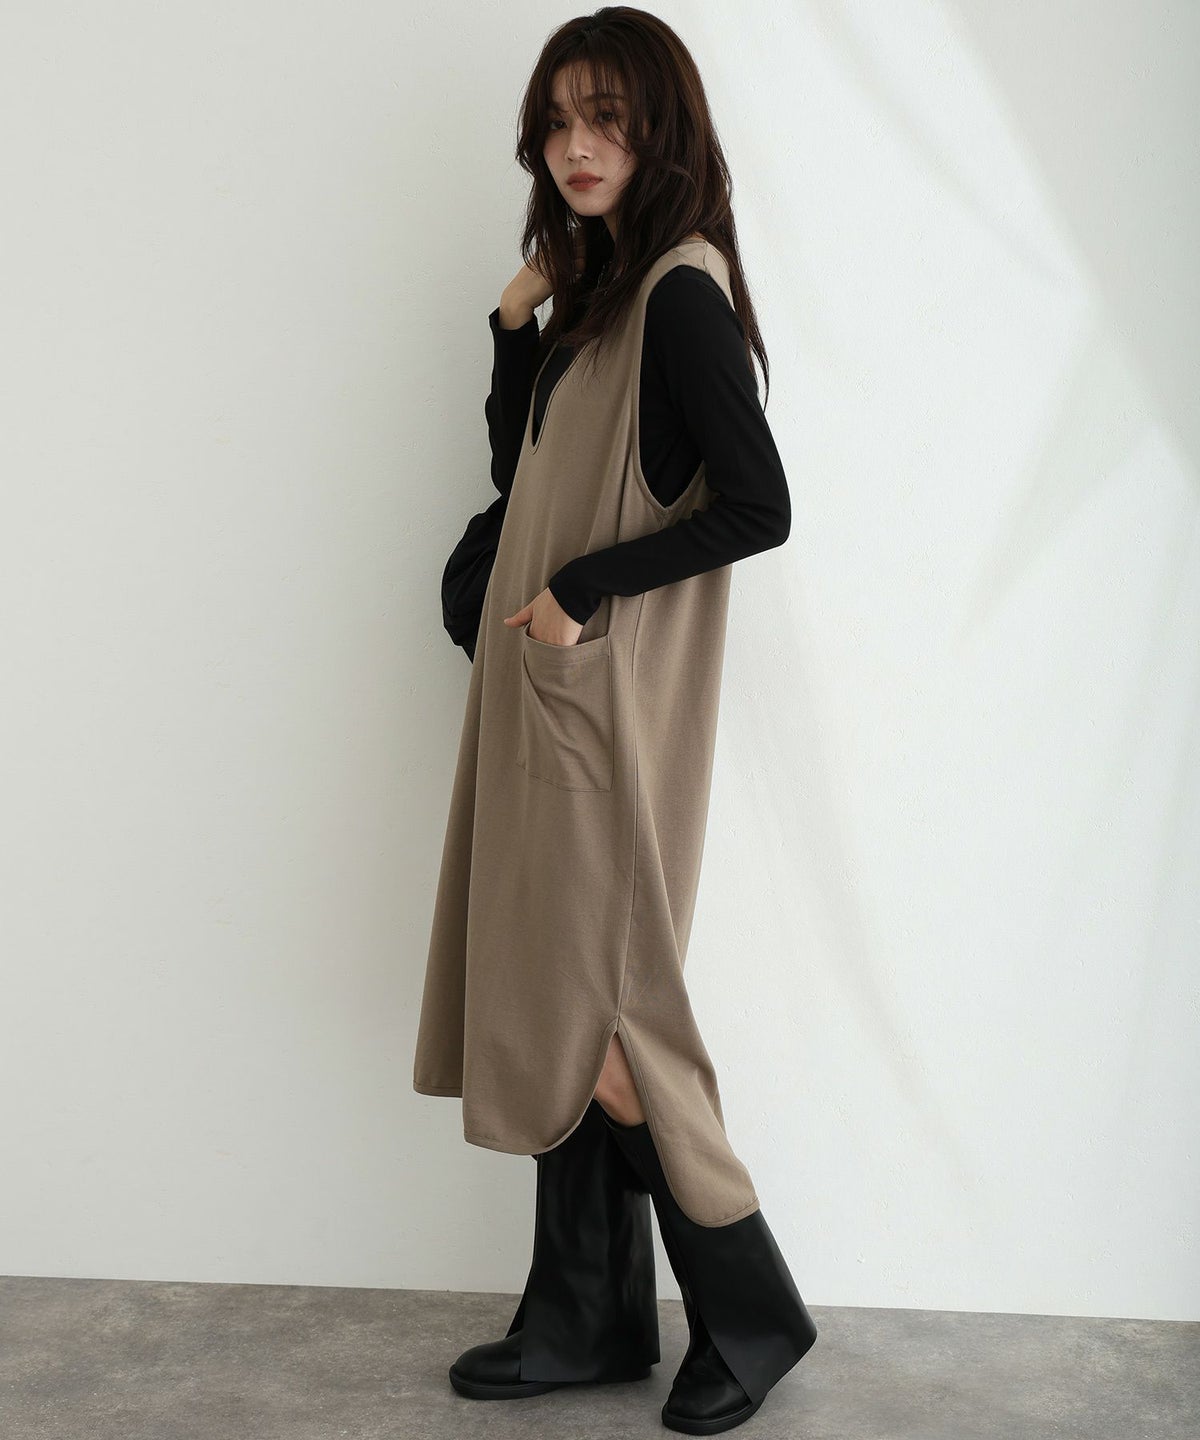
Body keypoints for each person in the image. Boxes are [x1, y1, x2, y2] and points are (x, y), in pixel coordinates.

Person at [414, 8, 818, 1433]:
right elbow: (526, 474)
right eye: (557, 122)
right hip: (549, 703)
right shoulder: (604, 295)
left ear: (662, 133)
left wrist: (585, 589)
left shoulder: (681, 296)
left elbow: (758, 504)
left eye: (608, 119)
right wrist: (512, 325)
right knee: (553, 1001)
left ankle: (753, 1315)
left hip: (603, 717)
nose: (575, 147)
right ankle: (583, 1317)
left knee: (608, 1025)